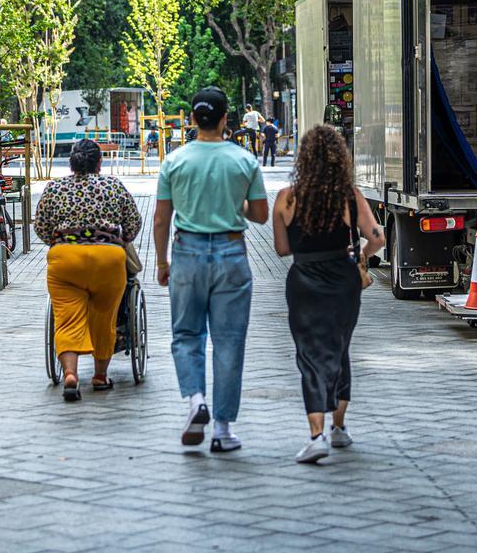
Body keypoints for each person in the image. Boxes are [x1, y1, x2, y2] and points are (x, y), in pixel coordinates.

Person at [153, 86, 268, 452]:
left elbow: (160, 218)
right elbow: (261, 214)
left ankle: (195, 401)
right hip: (231, 253)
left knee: (187, 334)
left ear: (191, 120)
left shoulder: (174, 161)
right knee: (229, 341)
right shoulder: (243, 161)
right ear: (224, 120)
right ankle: (221, 428)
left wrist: (161, 261)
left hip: (186, 251)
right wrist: (236, 203)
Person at [272, 126, 383, 463]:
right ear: (339, 159)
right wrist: (360, 254)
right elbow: (377, 236)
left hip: (304, 280)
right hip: (344, 280)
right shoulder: (350, 195)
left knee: (309, 354)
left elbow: (281, 249)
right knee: (340, 347)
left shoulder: (286, 198)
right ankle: (339, 428)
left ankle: (315, 434)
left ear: (303, 159)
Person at [35, 139, 141, 401]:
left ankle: (70, 374)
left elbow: (41, 227)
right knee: (105, 317)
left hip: (65, 260)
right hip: (108, 259)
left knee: (67, 318)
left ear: (71, 163)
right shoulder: (113, 185)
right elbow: (133, 224)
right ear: (99, 163)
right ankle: (100, 376)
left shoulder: (54, 188)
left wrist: (62, 240)